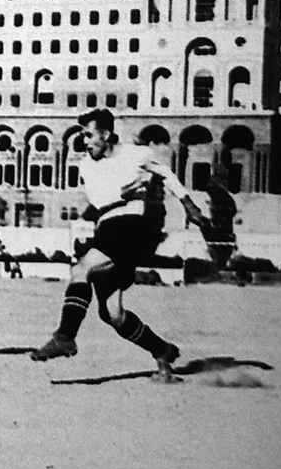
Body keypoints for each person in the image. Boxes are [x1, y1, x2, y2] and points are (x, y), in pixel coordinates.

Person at [29, 109, 206, 380]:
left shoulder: (135, 154)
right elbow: (102, 201)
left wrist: (188, 203)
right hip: (108, 227)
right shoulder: (86, 166)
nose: (85, 142)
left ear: (107, 134)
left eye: (89, 136)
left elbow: (166, 173)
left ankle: (65, 336)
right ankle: (163, 350)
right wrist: (126, 192)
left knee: (81, 271)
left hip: (132, 225)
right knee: (112, 314)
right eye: (83, 137)